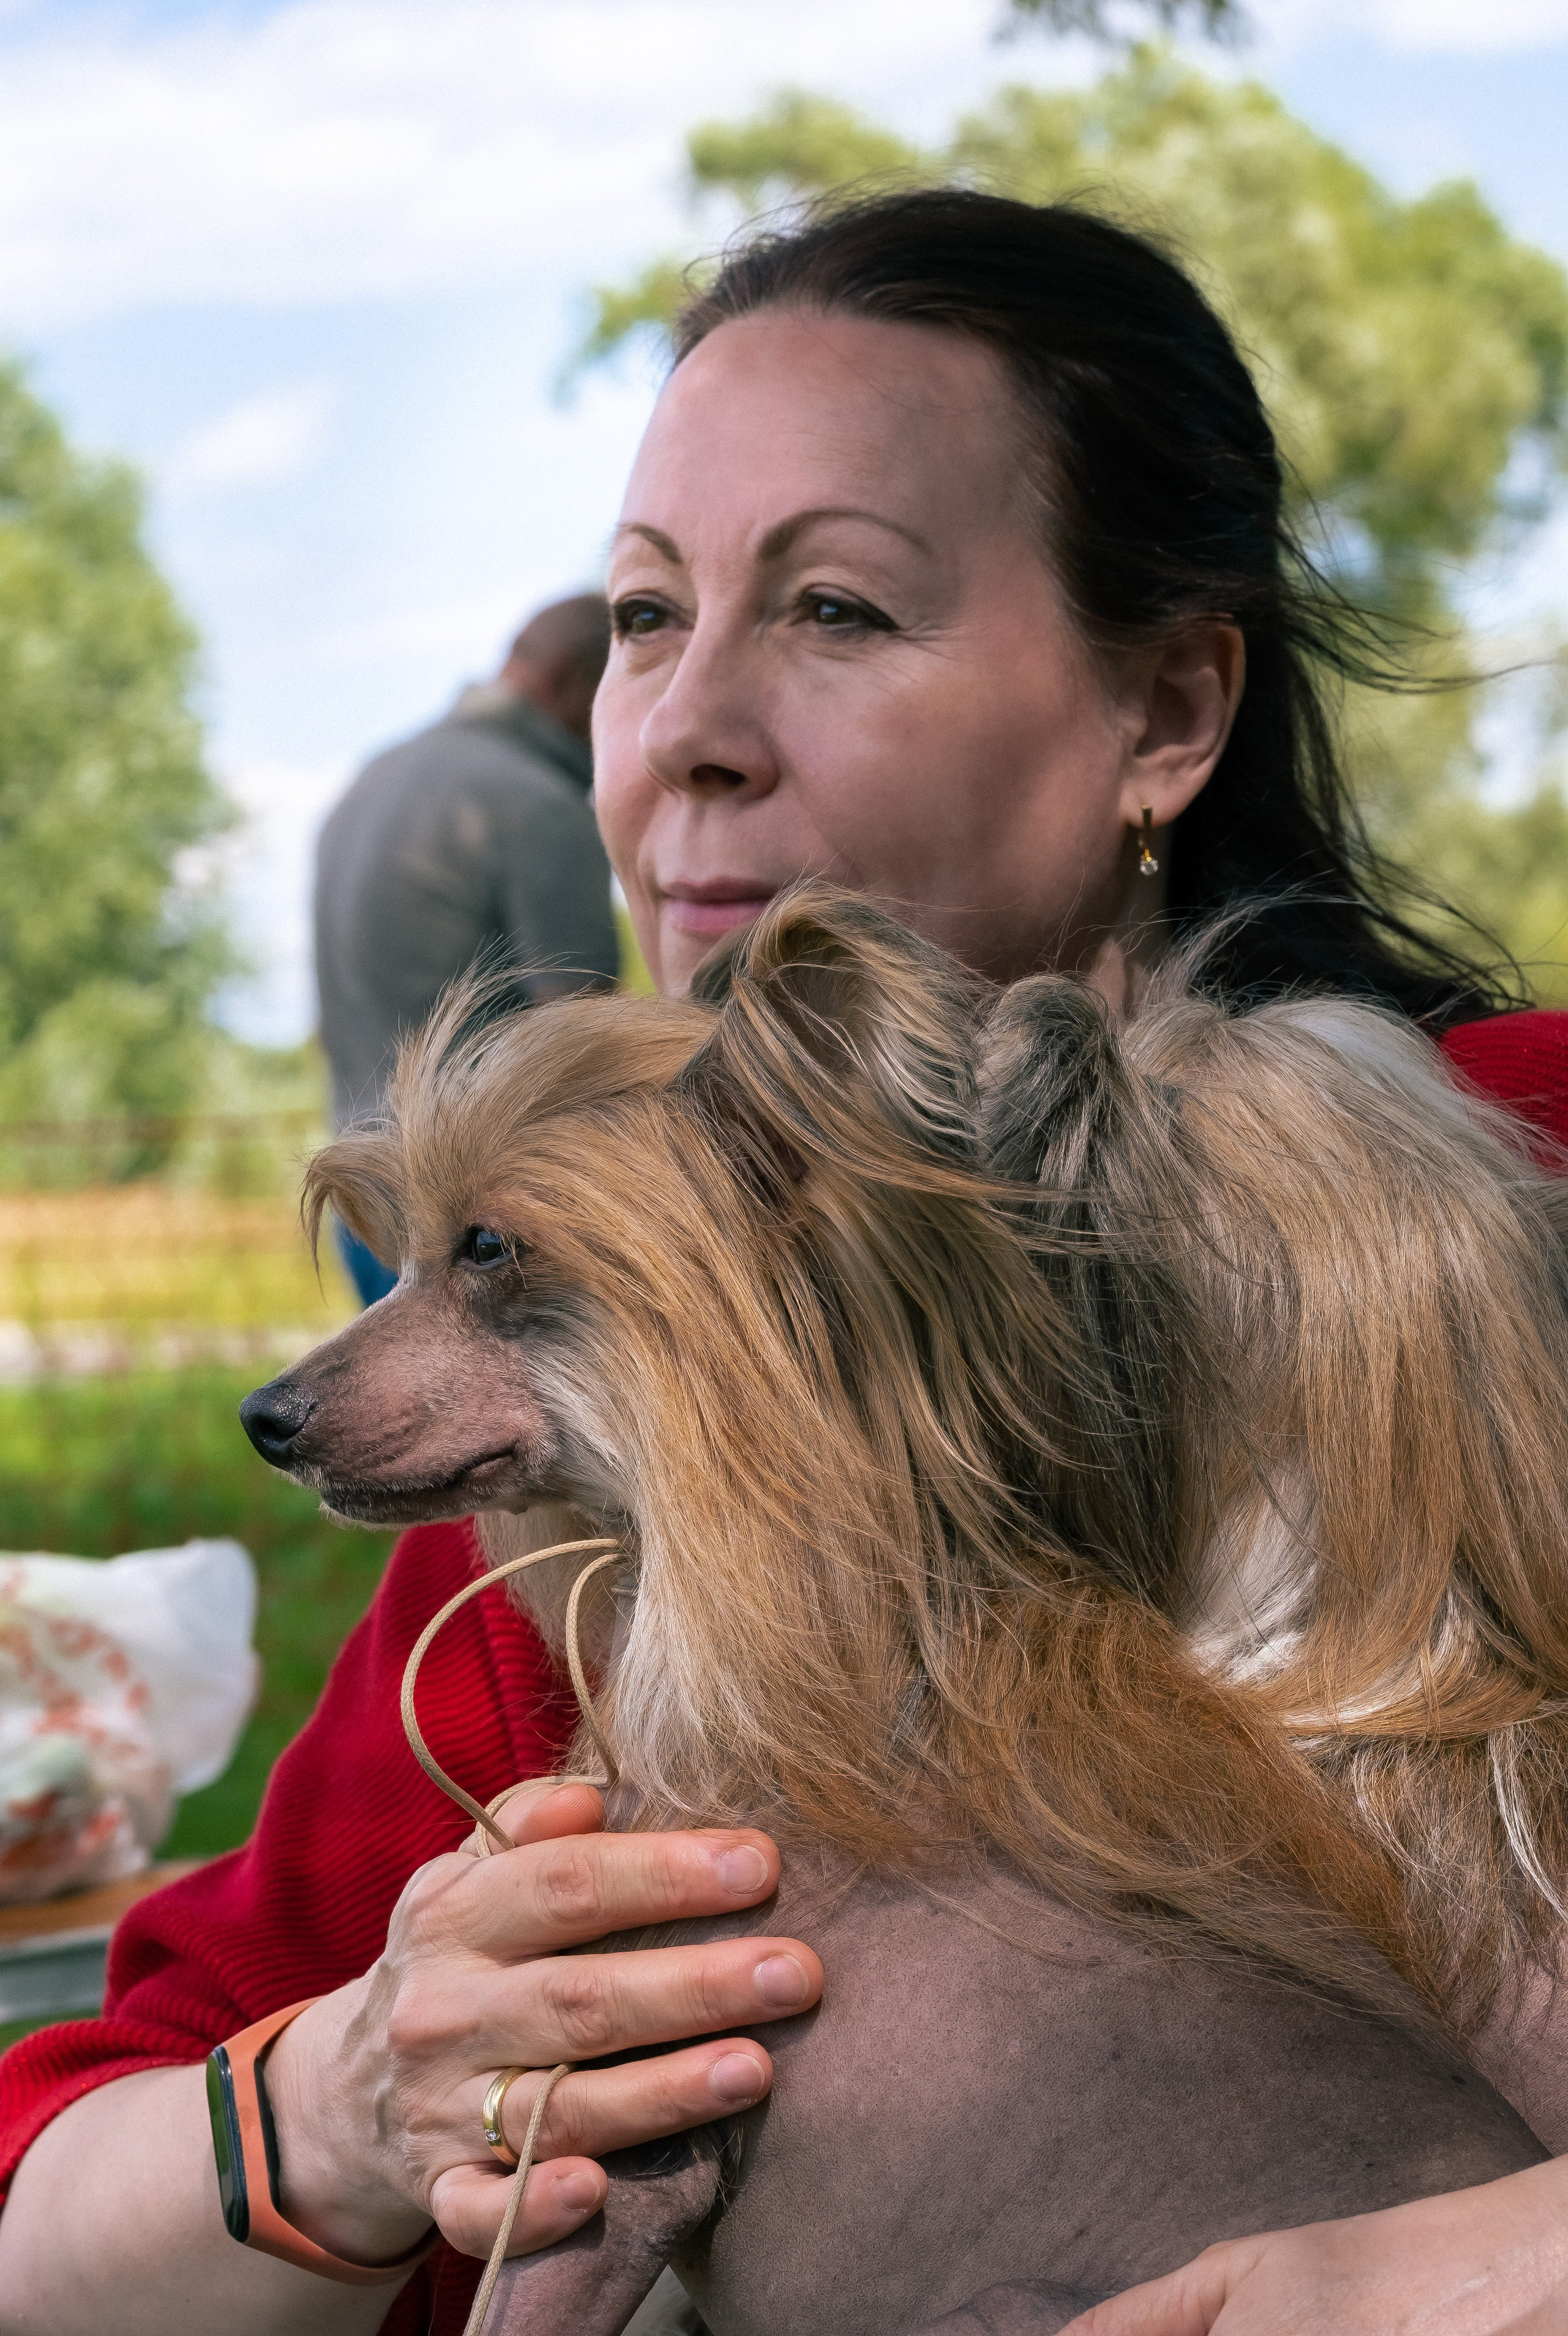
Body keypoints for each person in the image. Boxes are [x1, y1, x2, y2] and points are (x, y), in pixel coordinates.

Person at [4, 189, 1568, 2336]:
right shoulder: (580, 1434)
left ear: (1172, 712)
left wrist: (1450, 2261)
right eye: (647, 621)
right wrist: (346, 2113)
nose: (687, 736)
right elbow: (55, 2213)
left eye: (836, 609)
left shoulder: (1518, 1166)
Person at [315, 593, 622, 1304]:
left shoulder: (377, 776)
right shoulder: (535, 803)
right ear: (568, 683)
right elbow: (585, 1045)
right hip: (476, 1229)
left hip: (361, 1195)